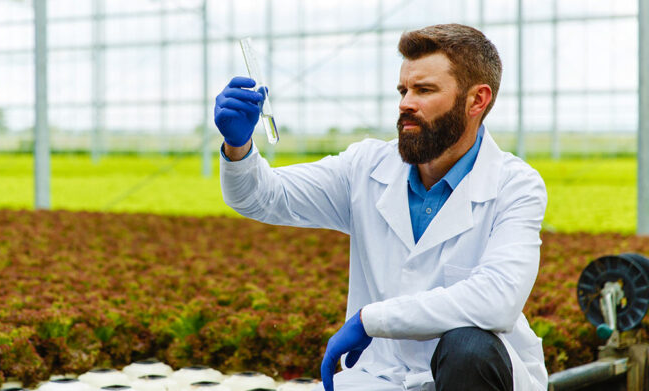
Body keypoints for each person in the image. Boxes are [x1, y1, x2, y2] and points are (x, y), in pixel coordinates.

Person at [214, 23, 547, 391]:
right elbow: (263, 197)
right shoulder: (366, 167)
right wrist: (237, 146)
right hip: (379, 378)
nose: (405, 103)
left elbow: (496, 300)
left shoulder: (514, 185)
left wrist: (370, 320)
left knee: (468, 347)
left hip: (473, 379)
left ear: (476, 100)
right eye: (403, 90)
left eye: (424, 90)